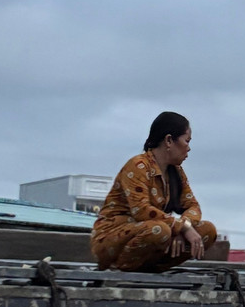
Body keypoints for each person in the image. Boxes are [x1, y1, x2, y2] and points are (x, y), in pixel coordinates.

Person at [91, 111, 222, 272]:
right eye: (186, 141)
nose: (189, 148)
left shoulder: (176, 172)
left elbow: (193, 206)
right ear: (169, 140)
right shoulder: (138, 166)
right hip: (114, 238)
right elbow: (142, 211)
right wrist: (182, 227)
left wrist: (183, 229)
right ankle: (117, 269)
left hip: (157, 236)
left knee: (208, 230)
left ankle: (151, 268)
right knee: (159, 231)